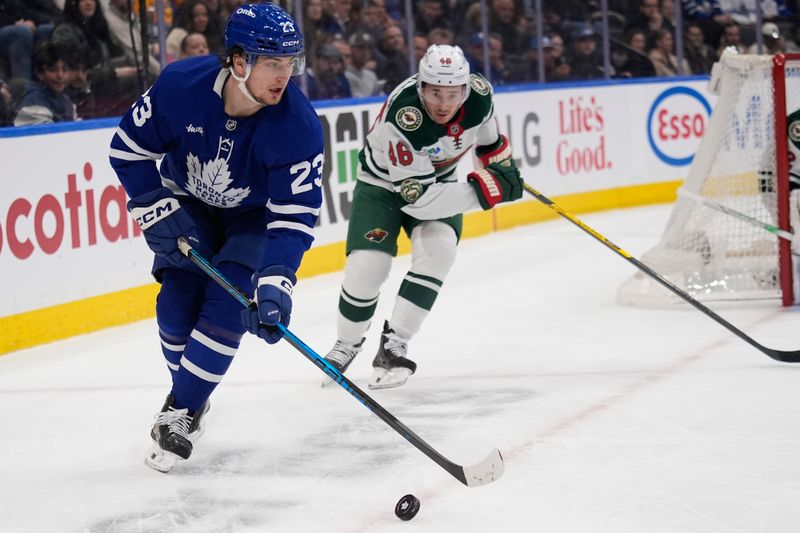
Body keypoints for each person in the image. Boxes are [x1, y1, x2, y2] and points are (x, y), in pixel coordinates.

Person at [108, 3, 323, 472]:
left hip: (253, 219)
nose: (284, 75)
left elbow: (295, 215)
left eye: (290, 62)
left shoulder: (298, 125)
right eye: (272, 62)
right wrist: (151, 203)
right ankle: (190, 396)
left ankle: (181, 410)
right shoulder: (180, 86)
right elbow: (127, 150)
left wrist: (277, 281)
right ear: (239, 60)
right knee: (175, 304)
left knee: (228, 300)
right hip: (189, 203)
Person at [322, 44, 523, 389]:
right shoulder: (404, 118)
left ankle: (393, 344)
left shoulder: (479, 96)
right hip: (381, 185)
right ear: (420, 88)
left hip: (438, 181)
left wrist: (503, 171)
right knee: (367, 267)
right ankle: (347, 343)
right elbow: (419, 202)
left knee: (439, 251)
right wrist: (487, 190)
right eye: (434, 93)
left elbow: (489, 145)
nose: (443, 104)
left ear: (465, 89)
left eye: (452, 94)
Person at [14, 40, 76, 126]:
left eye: (65, 69)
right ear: (40, 73)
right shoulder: (32, 103)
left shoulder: (66, 101)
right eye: (52, 70)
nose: (60, 75)